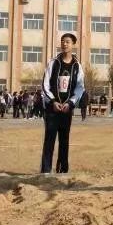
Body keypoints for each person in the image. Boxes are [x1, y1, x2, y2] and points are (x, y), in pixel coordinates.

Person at [40, 33, 85, 174]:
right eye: (62, 41)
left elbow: (80, 87)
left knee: (64, 141)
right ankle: (46, 170)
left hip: (66, 109)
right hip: (52, 109)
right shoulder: (53, 63)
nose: (65, 44)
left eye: (68, 42)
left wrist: (71, 103)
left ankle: (62, 170)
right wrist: (53, 101)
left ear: (73, 45)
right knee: (49, 140)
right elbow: (45, 84)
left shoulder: (77, 66)